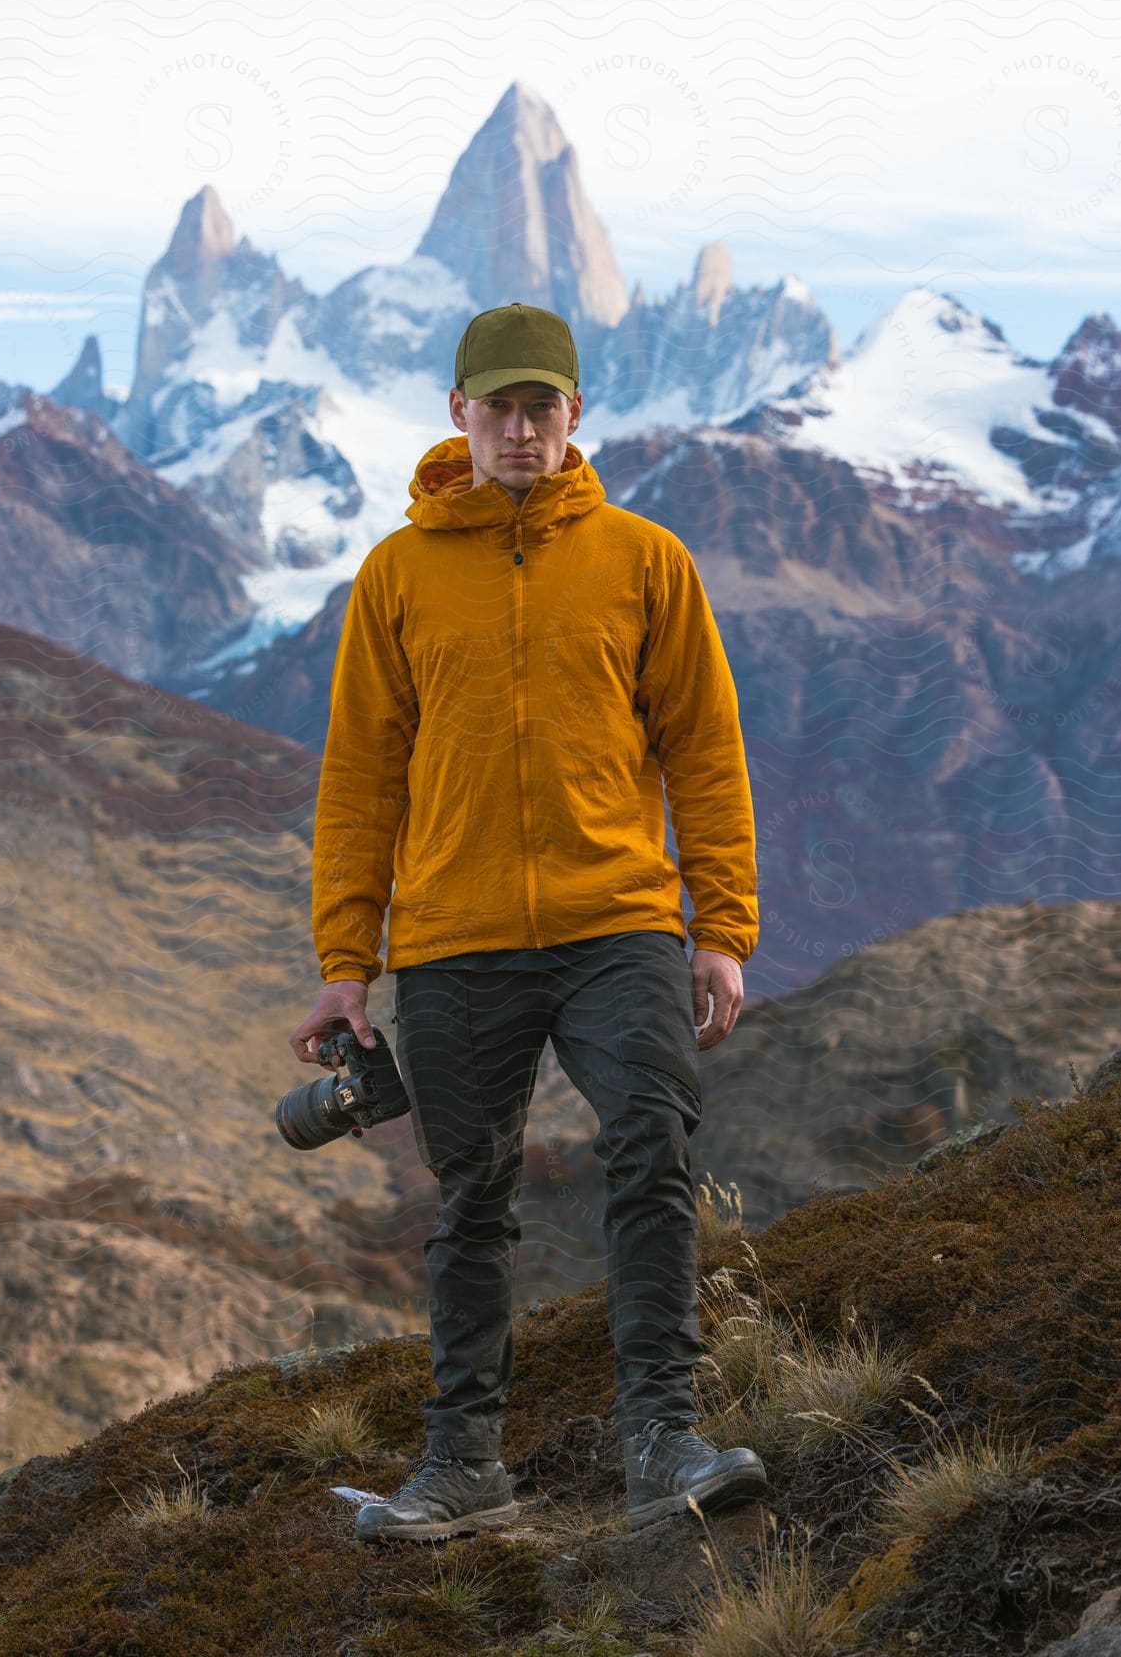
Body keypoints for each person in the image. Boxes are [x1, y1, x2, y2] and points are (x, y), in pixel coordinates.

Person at [289, 300, 767, 1542]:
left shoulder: (645, 559)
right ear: (458, 415)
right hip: (453, 940)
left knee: (649, 1150)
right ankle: (464, 1467)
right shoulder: (395, 575)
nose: (517, 427)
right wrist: (347, 964)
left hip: (620, 925)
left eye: (538, 405)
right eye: (493, 406)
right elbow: (359, 779)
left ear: (572, 415)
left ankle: (663, 1440)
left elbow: (706, 753)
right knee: (472, 1199)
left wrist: (721, 928)